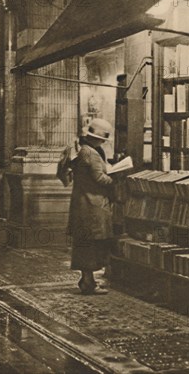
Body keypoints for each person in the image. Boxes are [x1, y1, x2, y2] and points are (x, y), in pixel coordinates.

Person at [67, 118, 115, 295]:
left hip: (83, 203)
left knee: (84, 242)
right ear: (97, 139)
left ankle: (87, 280)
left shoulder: (84, 151)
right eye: (102, 139)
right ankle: (88, 282)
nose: (103, 142)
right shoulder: (92, 153)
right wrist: (116, 178)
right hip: (92, 205)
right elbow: (99, 178)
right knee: (91, 243)